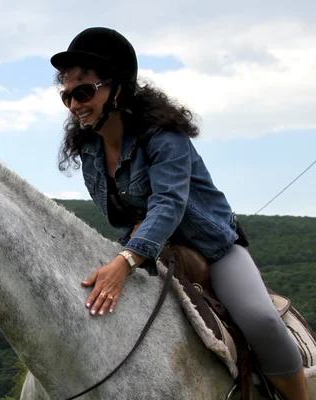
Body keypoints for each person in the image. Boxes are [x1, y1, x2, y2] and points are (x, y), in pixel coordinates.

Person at [50, 27, 308, 400]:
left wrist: (124, 261)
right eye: (67, 95)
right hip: (150, 252)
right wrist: (133, 247)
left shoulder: (163, 135)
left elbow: (169, 203)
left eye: (84, 91)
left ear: (118, 87)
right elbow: (123, 219)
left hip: (212, 248)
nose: (75, 104)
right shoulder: (89, 151)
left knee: (261, 319)